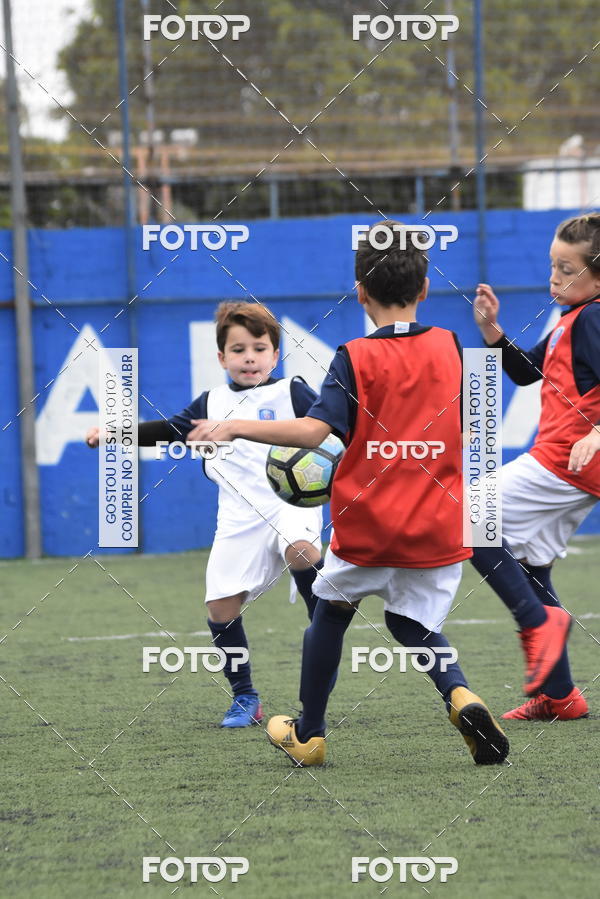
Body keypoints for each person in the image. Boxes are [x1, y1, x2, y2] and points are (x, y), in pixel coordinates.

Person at [188, 221, 510, 766]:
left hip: (370, 526)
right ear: (425, 290)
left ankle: (309, 733)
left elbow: (315, 432)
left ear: (360, 293)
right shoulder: (451, 346)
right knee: (412, 624)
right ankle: (461, 694)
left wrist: (239, 426)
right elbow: (472, 427)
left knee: (331, 614)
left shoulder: (354, 355)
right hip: (437, 526)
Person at [86, 301, 325, 728]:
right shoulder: (210, 402)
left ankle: (324, 630)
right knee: (220, 607)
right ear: (221, 357)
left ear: (275, 355)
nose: (249, 357)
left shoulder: (292, 392)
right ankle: (245, 697)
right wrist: (114, 434)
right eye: (238, 350)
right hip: (237, 519)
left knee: (302, 552)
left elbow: (334, 427)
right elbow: (167, 430)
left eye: (259, 347)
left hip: (291, 505)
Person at [471, 212, 600, 720]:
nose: (554, 276)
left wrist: (596, 432)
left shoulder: (593, 318)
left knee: (470, 514)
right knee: (531, 563)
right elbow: (526, 373)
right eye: (552, 264)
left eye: (566, 268)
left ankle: (538, 623)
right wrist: (492, 332)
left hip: (567, 462)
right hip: (564, 463)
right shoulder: (573, 317)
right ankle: (561, 695)